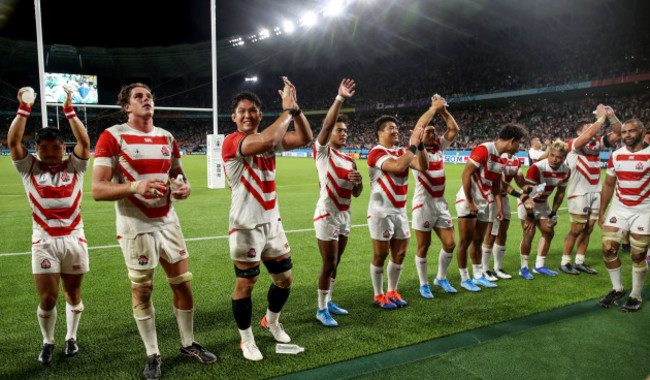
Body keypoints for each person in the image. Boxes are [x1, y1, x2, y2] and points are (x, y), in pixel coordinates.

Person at [92, 83, 216, 380]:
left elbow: (178, 176)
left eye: (148, 96)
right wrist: (136, 185)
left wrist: (183, 188)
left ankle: (188, 343)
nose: (146, 100)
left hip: (168, 222)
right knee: (143, 289)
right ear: (127, 106)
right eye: (138, 97)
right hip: (135, 226)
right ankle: (152, 353)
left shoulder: (167, 137)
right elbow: (98, 189)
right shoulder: (112, 136)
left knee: (183, 284)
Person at [222, 77, 313, 360]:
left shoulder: (268, 141)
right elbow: (269, 139)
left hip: (273, 223)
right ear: (234, 117)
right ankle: (246, 340)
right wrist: (286, 112)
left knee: (284, 279)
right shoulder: (232, 141)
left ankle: (271, 322)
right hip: (246, 226)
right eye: (242, 111)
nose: (247, 115)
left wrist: (295, 110)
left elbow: (305, 138)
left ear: (261, 115)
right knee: (246, 284)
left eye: (253, 110)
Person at [8, 87, 89, 365]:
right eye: (44, 149)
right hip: (43, 241)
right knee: (48, 298)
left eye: (56, 148)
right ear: (37, 151)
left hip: (74, 240)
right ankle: (48, 341)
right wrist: (24, 108)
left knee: (73, 294)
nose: (51, 153)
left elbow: (84, 141)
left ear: (63, 149)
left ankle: (71, 337)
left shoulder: (75, 167)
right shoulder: (29, 168)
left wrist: (69, 110)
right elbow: (14, 141)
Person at [312, 79, 363, 327]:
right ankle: (321, 309)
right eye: (339, 130)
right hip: (327, 214)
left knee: (338, 261)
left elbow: (357, 193)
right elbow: (326, 124)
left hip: (345, 214)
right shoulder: (323, 152)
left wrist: (358, 182)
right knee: (328, 262)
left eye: (345, 131)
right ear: (331, 132)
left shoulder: (350, 159)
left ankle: (329, 300)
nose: (343, 133)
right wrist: (340, 97)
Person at [455, 125, 525, 291]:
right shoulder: (484, 149)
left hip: (485, 202)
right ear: (512, 141)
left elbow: (495, 185)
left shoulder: (500, 158)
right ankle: (464, 278)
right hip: (468, 200)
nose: (519, 148)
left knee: (479, 241)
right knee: (465, 241)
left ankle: (478, 275)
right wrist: (471, 202)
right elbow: (466, 174)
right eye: (519, 144)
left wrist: (499, 208)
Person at [367, 115, 426, 309]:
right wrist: (413, 146)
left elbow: (423, 166)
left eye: (397, 128)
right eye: (391, 128)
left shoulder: (402, 151)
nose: (395, 131)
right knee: (381, 254)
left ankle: (392, 291)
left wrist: (421, 146)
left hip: (400, 211)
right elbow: (398, 166)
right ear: (380, 133)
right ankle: (378, 295)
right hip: (381, 212)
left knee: (400, 253)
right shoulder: (376, 152)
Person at [560, 105, 621, 275]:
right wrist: (600, 118)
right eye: (588, 127)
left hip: (596, 191)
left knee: (589, 228)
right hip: (579, 193)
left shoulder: (597, 143)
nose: (595, 129)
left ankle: (580, 261)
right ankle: (565, 262)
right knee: (576, 229)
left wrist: (612, 116)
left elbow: (619, 133)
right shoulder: (573, 143)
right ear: (579, 132)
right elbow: (588, 135)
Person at [410, 95, 460, 298]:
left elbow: (454, 130)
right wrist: (433, 108)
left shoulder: (439, 146)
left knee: (450, 243)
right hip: (423, 204)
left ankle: (441, 277)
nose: (433, 133)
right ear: (421, 135)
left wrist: (443, 111)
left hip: (441, 204)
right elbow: (420, 124)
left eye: (434, 131)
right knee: (424, 246)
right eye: (429, 132)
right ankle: (423, 284)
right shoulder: (413, 150)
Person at [598, 119, 649, 312]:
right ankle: (617, 288)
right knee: (608, 249)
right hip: (619, 209)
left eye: (632, 131)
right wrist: (602, 212)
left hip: (644, 210)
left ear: (642, 132)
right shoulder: (616, 156)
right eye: (624, 132)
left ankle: (636, 294)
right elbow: (609, 185)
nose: (627, 135)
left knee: (638, 254)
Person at [517, 140, 570, 279]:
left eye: (558, 157)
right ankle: (523, 268)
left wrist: (553, 212)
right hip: (527, 201)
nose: (554, 159)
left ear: (564, 158)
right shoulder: (537, 167)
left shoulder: (565, 170)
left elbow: (560, 192)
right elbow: (527, 193)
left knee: (549, 232)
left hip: (543, 202)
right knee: (529, 233)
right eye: (552, 155)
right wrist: (530, 216)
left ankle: (539, 266)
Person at [482, 151, 526, 281]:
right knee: (490, 234)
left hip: (505, 198)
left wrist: (531, 188)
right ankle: (484, 270)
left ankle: (497, 268)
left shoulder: (516, 160)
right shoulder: (497, 157)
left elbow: (520, 181)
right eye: (517, 142)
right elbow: (501, 183)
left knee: (502, 234)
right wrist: (521, 195)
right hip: (492, 196)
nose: (519, 145)